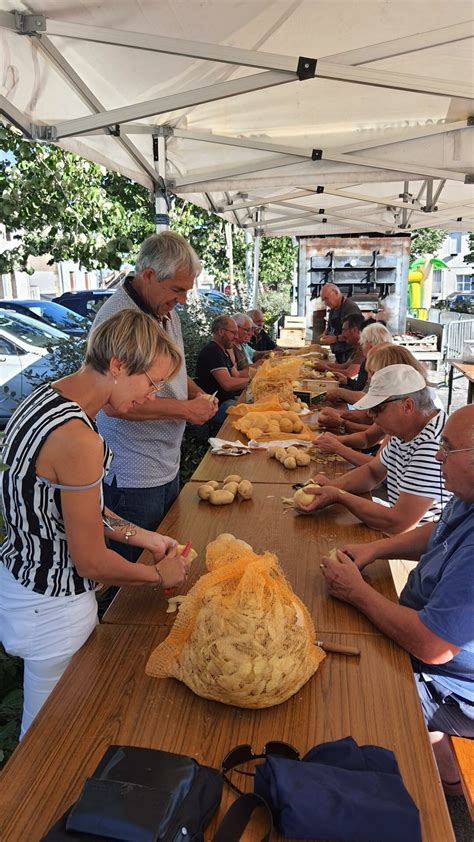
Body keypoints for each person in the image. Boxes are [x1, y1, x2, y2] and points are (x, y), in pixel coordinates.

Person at [0, 311, 190, 737]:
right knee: (49, 738)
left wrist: (144, 536)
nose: (151, 395)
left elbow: (74, 507)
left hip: (21, 585)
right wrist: (157, 574)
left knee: (51, 727)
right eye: (151, 382)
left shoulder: (44, 399)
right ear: (119, 364)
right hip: (54, 608)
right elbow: (90, 562)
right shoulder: (80, 438)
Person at [319, 405, 474, 793]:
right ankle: (446, 772)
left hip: (454, 679)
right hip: (431, 636)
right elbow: (438, 531)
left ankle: (425, 799)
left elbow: (432, 646)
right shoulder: (467, 494)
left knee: (349, 695)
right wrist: (377, 551)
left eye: (449, 449)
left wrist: (358, 592)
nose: (439, 455)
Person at [93, 232, 217, 562]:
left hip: (165, 464)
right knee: (131, 567)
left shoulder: (166, 311)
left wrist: (197, 394)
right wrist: (185, 410)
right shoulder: (116, 319)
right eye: (177, 289)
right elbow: (114, 404)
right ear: (148, 275)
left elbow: (173, 373)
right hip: (133, 473)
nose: (184, 300)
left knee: (163, 551)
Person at [297, 364, 450, 534]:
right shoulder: (406, 430)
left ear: (407, 406)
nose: (370, 415)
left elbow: (399, 523)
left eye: (377, 408)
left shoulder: (430, 445)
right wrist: (332, 486)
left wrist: (339, 495)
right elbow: (372, 472)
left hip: (425, 548)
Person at [323, 321, 392, 406]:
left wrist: (339, 392)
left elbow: (366, 398)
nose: (361, 347)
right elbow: (361, 387)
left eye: (363, 344)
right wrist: (346, 381)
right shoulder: (371, 360)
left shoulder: (381, 365)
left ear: (369, 345)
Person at [195, 315, 249, 424]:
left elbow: (237, 375)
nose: (236, 336)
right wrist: (254, 381)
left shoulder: (222, 350)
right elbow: (227, 384)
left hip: (228, 401)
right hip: (217, 407)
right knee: (252, 415)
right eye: (233, 333)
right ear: (221, 332)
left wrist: (260, 374)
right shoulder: (212, 351)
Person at [318, 284, 362, 362]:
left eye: (326, 298)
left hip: (349, 353)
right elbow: (331, 326)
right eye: (323, 300)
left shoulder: (351, 308)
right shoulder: (333, 308)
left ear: (336, 292)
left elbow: (355, 334)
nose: (325, 303)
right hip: (339, 353)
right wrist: (325, 334)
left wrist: (335, 339)